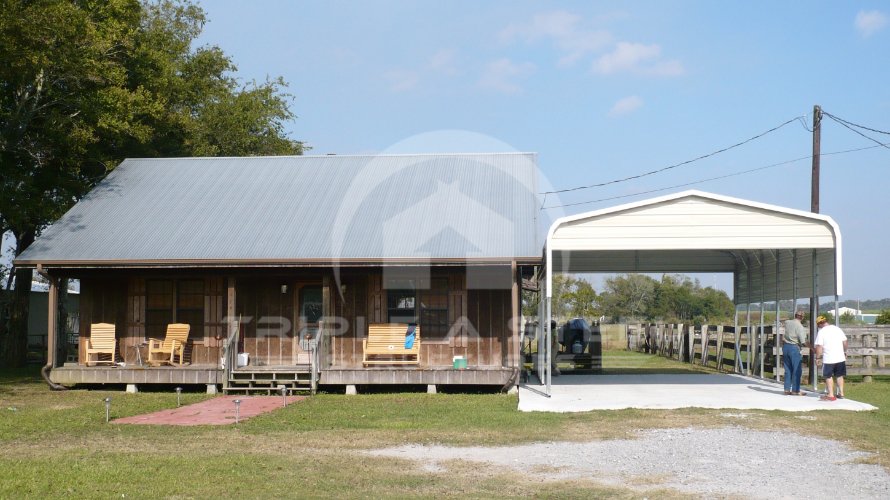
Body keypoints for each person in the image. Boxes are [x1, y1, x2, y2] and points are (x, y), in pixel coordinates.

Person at [814, 315, 848, 401]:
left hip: (829, 358)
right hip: (840, 357)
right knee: (839, 375)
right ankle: (841, 393)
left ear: (819, 324)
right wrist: (845, 351)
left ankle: (830, 395)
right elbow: (845, 341)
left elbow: (819, 346)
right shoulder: (837, 329)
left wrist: (817, 358)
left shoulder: (821, 332)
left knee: (828, 376)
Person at [781, 311, 808, 395]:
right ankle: (796, 390)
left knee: (788, 369)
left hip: (785, 347)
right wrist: (812, 348)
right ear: (802, 317)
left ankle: (786, 390)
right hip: (794, 347)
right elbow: (803, 341)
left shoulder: (788, 322)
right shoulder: (800, 326)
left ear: (795, 315)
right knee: (796, 370)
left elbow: (783, 322)